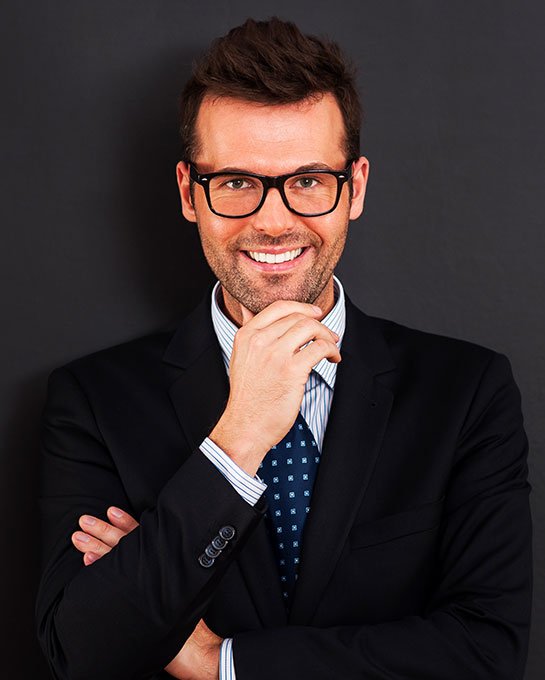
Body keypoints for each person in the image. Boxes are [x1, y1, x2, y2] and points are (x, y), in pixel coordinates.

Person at [36, 17, 532, 680]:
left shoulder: (466, 392)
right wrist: (236, 441)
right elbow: (83, 651)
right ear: (189, 193)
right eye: (236, 182)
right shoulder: (94, 402)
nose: (273, 221)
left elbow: (487, 654)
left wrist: (221, 663)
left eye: (308, 181)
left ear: (355, 188)